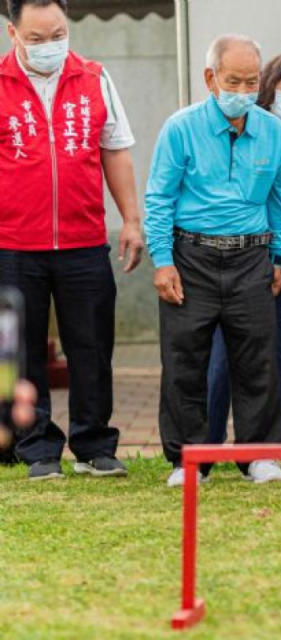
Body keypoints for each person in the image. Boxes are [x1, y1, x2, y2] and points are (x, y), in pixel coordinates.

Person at [0, 0, 144, 480]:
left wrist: (130, 219)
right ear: (12, 34)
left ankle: (94, 442)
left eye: (58, 35)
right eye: (37, 39)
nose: (50, 47)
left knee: (92, 346)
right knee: (20, 351)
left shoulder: (94, 78)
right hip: (15, 243)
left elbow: (115, 150)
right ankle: (37, 447)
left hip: (83, 240)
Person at [145, 34, 281, 487]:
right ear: (211, 78)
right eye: (234, 81)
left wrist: (279, 257)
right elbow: (159, 198)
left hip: (252, 256)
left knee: (257, 359)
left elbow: (280, 199)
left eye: (252, 82)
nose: (243, 91)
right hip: (191, 256)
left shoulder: (274, 130)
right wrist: (162, 260)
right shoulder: (180, 128)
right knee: (184, 360)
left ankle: (259, 457)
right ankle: (188, 462)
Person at [205, 52, 281, 446]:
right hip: (234, 259)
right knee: (221, 358)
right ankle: (208, 444)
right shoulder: (248, 130)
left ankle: (276, 444)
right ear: (270, 86)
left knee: (276, 355)